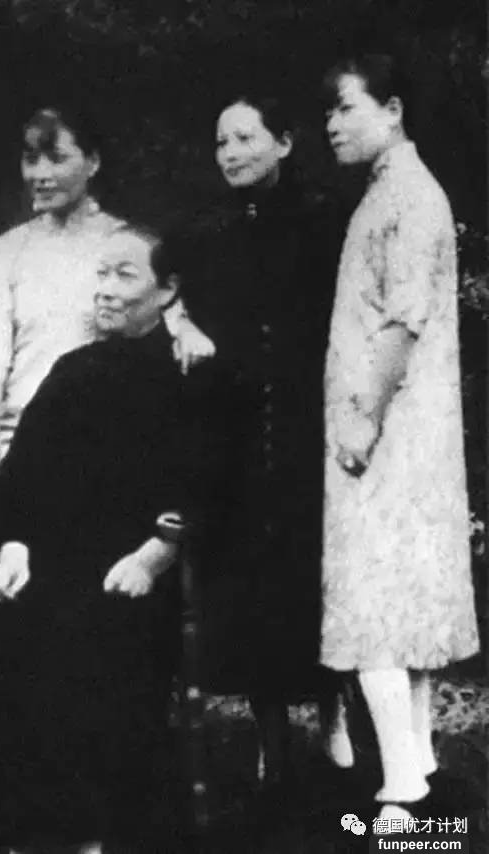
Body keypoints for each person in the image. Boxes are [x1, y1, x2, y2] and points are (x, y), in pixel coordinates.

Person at [0, 103, 214, 811]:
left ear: (94, 162)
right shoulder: (8, 251)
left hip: (115, 450)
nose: (40, 173)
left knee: (79, 612)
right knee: (12, 600)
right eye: (30, 158)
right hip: (28, 445)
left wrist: (188, 327)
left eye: (56, 157)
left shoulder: (122, 244)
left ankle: (71, 782)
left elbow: (160, 303)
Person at [321, 53, 479, 824]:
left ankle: (403, 787)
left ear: (392, 109)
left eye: (346, 108)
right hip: (398, 432)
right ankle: (416, 762)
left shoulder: (411, 198)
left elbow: (402, 323)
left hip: (391, 434)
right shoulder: (389, 194)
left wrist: (362, 421)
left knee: (375, 603)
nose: (332, 124)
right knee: (397, 603)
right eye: (327, 112)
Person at [174, 92, 345, 796]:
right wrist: (182, 320)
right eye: (222, 141)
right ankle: (270, 740)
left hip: (309, 427)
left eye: (246, 138)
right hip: (238, 434)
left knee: (315, 577)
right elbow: (162, 280)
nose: (232, 153)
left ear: (284, 142)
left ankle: (334, 714)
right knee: (250, 586)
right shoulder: (210, 228)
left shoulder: (325, 221)